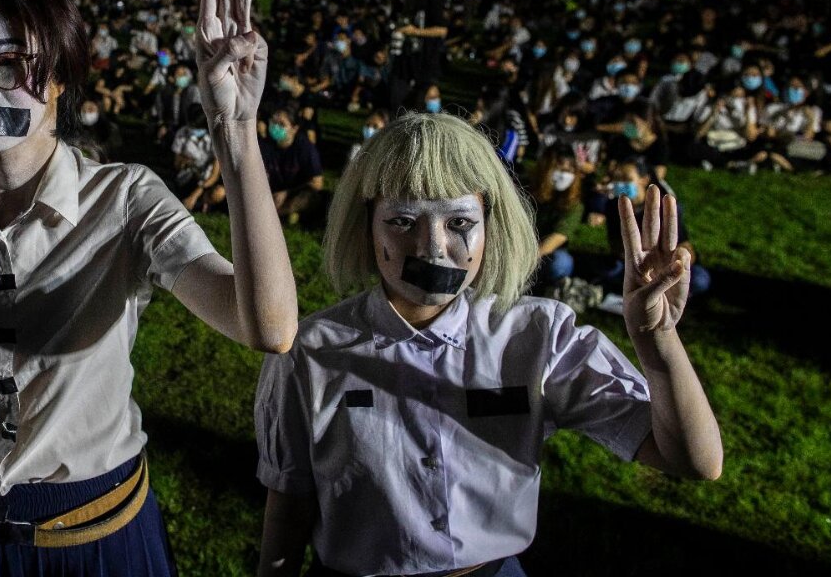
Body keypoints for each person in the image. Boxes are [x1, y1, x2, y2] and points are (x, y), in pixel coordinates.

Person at [0, 0, 297, 576]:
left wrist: (235, 130)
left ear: (63, 76)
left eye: (9, 64)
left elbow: (268, 327)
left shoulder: (125, 199)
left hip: (96, 538)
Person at [255, 112, 722, 577]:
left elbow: (692, 459)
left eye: (459, 221)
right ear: (366, 227)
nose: (432, 248)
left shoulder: (539, 336)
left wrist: (656, 340)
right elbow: (288, 508)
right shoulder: (310, 351)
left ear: (490, 227)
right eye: (401, 220)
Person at [596, 156, 712, 298]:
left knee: (699, 280)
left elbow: (686, 248)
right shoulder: (613, 206)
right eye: (617, 179)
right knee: (610, 271)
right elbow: (615, 244)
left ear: (644, 179)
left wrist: (667, 265)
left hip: (666, 263)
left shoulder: (663, 207)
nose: (620, 184)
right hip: (636, 264)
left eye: (626, 179)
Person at [528, 145, 584, 286]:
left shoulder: (574, 204)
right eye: (559, 169)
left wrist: (526, 261)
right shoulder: (523, 189)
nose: (564, 175)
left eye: (568, 170)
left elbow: (557, 237)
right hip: (517, 246)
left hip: (541, 255)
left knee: (561, 262)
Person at [260, 103, 325, 224]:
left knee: (309, 198)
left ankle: (278, 214)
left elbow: (317, 183)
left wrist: (287, 193)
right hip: (271, 192)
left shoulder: (305, 148)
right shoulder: (264, 145)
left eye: (282, 124)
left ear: (294, 128)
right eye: (273, 122)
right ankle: (281, 215)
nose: (275, 127)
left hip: (295, 192)